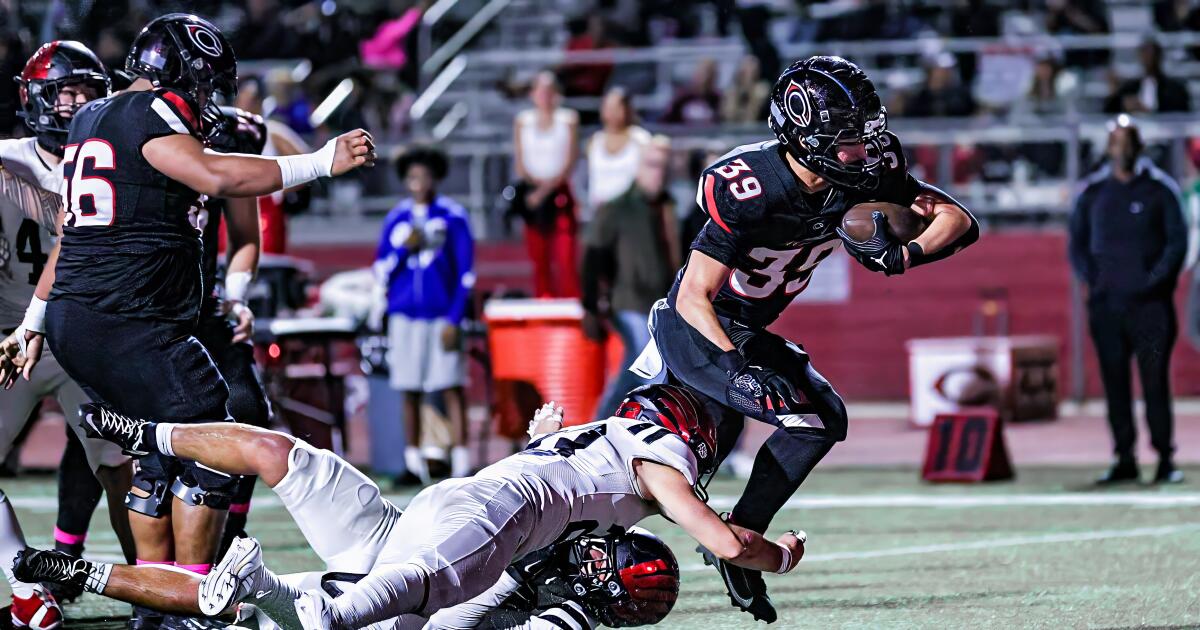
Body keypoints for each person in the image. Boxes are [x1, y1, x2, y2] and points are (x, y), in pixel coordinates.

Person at [0, 13, 374, 629]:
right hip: (128, 322)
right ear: (177, 73)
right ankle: (191, 601)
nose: (207, 99)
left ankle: (158, 600)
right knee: (210, 444)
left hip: (87, 317)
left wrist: (36, 321)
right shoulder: (145, 116)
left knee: (154, 450)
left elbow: (73, 236)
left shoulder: (93, 118)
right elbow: (218, 175)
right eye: (202, 83)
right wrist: (321, 161)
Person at [634, 56, 979, 622]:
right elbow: (693, 296)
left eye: (864, 134)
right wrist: (734, 366)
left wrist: (905, 254)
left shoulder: (863, 172)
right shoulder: (750, 186)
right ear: (805, 131)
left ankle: (741, 542)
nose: (863, 149)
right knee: (660, 467)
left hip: (746, 332)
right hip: (698, 332)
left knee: (822, 417)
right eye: (848, 138)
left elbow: (957, 220)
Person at [23, 384, 804, 628]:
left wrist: (546, 438)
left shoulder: (609, 434)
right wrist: (780, 552)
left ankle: (70, 558)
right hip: (474, 529)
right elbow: (727, 544)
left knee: (277, 455)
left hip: (438, 510)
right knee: (414, 593)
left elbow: (567, 464)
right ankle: (305, 606)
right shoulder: (658, 457)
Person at [0, 40, 136, 628]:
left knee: (127, 470)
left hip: (86, 335)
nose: (72, 104)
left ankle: (158, 593)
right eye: (62, 92)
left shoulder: (120, 156)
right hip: (11, 337)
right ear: (35, 98)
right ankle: (23, 584)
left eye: (85, 92)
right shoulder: (7, 159)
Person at [1068, 115, 1186, 485]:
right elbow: (1077, 245)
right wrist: (1095, 282)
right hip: (1107, 307)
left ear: (1139, 145)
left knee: (1154, 382)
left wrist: (1153, 282)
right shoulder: (1093, 193)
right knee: (1115, 382)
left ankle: (1165, 458)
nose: (1121, 149)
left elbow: (1177, 244)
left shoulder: (1160, 190)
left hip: (1150, 309)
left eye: (1127, 141)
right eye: (1115, 141)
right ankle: (1124, 457)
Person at [198, 106, 275, 555]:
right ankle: (65, 551)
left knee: (246, 406)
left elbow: (246, 233)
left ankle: (230, 535)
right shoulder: (139, 138)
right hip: (139, 307)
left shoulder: (229, 137)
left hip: (202, 303)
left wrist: (236, 295)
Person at [374, 146, 474, 482]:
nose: (419, 183)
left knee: (450, 385)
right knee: (409, 388)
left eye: (425, 176)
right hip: (405, 314)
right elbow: (381, 270)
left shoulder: (453, 216)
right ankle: (413, 463)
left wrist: (455, 317)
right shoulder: (397, 219)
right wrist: (405, 249)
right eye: (413, 176)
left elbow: (465, 273)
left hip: (441, 314)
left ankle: (461, 462)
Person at [581, 137, 679, 418]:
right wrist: (590, 304)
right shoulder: (618, 208)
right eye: (652, 165)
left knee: (642, 365)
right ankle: (601, 424)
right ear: (637, 166)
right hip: (630, 301)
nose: (658, 173)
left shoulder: (669, 207)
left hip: (662, 303)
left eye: (664, 166)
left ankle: (607, 426)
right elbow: (593, 257)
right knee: (644, 362)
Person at [512, 71, 580, 298]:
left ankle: (571, 303)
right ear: (532, 94)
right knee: (538, 255)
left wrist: (546, 189)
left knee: (565, 255)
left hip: (558, 192)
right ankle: (544, 301)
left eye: (549, 91)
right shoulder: (523, 121)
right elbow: (520, 161)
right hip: (532, 194)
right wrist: (535, 189)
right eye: (540, 91)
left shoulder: (568, 119)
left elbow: (570, 160)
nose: (545, 96)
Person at [585, 88, 650, 214]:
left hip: (631, 212)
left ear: (628, 109)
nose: (613, 112)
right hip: (599, 212)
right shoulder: (595, 141)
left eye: (617, 107)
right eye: (609, 107)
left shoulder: (641, 140)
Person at [1103, 39, 1191, 115]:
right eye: (1145, 53)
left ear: (1159, 56)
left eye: (1152, 53)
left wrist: (1147, 111)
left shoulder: (1174, 89)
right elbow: (1109, 112)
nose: (1148, 57)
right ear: (1139, 55)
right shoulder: (1130, 87)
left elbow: (1180, 114)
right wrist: (1113, 94)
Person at [662, 59, 721, 126]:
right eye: (703, 72)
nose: (706, 78)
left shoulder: (716, 98)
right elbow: (666, 121)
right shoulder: (683, 95)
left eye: (710, 74)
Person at [720, 56, 770, 124]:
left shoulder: (762, 88)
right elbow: (730, 116)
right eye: (745, 69)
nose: (748, 72)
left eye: (751, 70)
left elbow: (752, 117)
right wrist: (736, 95)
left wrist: (749, 85)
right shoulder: (732, 91)